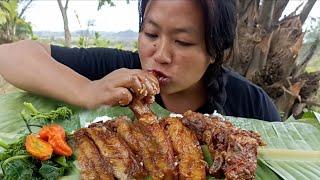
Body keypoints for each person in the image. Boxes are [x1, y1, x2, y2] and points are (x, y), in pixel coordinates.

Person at [0, 0, 281, 121]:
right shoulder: (117, 71)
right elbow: (11, 55)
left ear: (217, 53)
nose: (160, 55)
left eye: (182, 42)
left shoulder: (253, 106)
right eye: (151, 34)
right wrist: (88, 90)